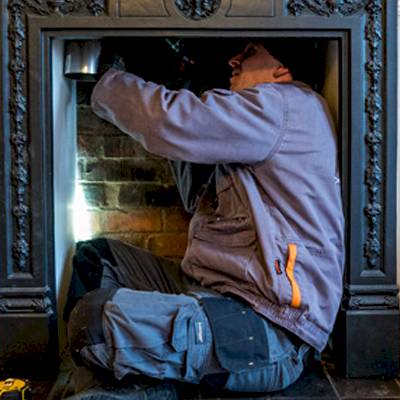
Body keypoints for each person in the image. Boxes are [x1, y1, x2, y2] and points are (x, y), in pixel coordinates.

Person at [63, 41, 344, 396]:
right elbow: (192, 187)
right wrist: (180, 83)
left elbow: (170, 122)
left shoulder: (286, 104)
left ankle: (140, 385)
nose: (234, 59)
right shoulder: (259, 122)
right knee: (97, 259)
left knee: (94, 323)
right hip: (214, 293)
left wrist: (109, 79)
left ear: (281, 70)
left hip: (269, 330)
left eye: (250, 53)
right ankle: (136, 377)